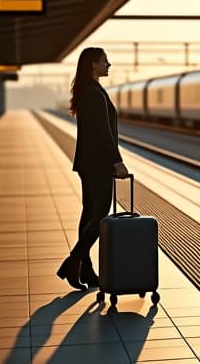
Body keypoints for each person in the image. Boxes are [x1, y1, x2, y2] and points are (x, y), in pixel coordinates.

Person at [57, 47, 128, 291]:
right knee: (99, 215)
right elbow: (102, 132)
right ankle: (72, 262)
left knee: (90, 214)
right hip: (97, 163)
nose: (109, 64)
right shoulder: (93, 93)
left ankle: (85, 270)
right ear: (93, 65)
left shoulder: (89, 91)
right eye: (105, 61)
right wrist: (116, 160)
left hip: (90, 162)